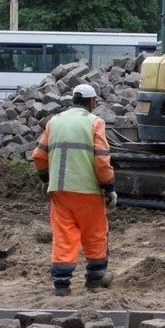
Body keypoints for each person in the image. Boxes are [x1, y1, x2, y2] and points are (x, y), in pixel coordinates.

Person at [32, 84, 117, 296]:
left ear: (73, 100)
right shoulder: (95, 123)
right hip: (88, 190)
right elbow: (102, 160)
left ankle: (61, 283)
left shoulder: (54, 122)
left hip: (60, 190)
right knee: (94, 233)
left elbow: (39, 155)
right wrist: (109, 187)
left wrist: (46, 180)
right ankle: (96, 277)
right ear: (91, 102)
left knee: (63, 235)